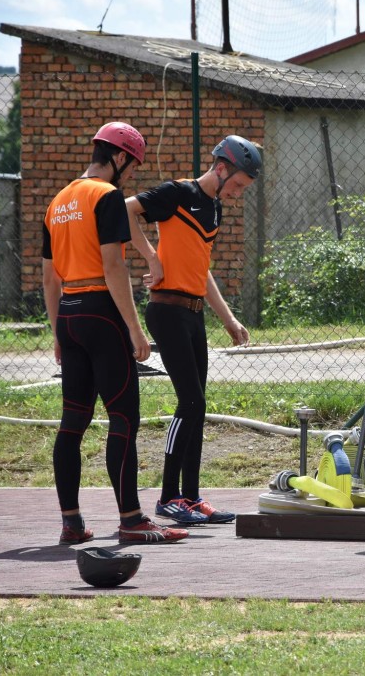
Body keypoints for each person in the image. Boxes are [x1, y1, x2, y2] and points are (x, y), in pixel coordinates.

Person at [42, 122, 188, 545]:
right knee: (123, 418)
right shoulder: (105, 196)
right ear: (120, 157)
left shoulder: (57, 202)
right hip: (101, 315)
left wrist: (57, 333)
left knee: (73, 422)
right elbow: (112, 266)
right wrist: (135, 329)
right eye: (133, 164)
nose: (132, 173)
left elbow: (49, 279)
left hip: (69, 314)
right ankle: (132, 520)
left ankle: (72, 524)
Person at [125, 135, 259, 525]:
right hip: (166, 311)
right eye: (237, 185)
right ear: (221, 168)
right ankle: (168, 497)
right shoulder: (178, 193)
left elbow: (202, 269)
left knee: (197, 408)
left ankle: (191, 497)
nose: (237, 193)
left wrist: (228, 319)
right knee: (191, 403)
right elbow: (124, 209)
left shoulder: (213, 208)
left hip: (194, 314)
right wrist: (152, 257)